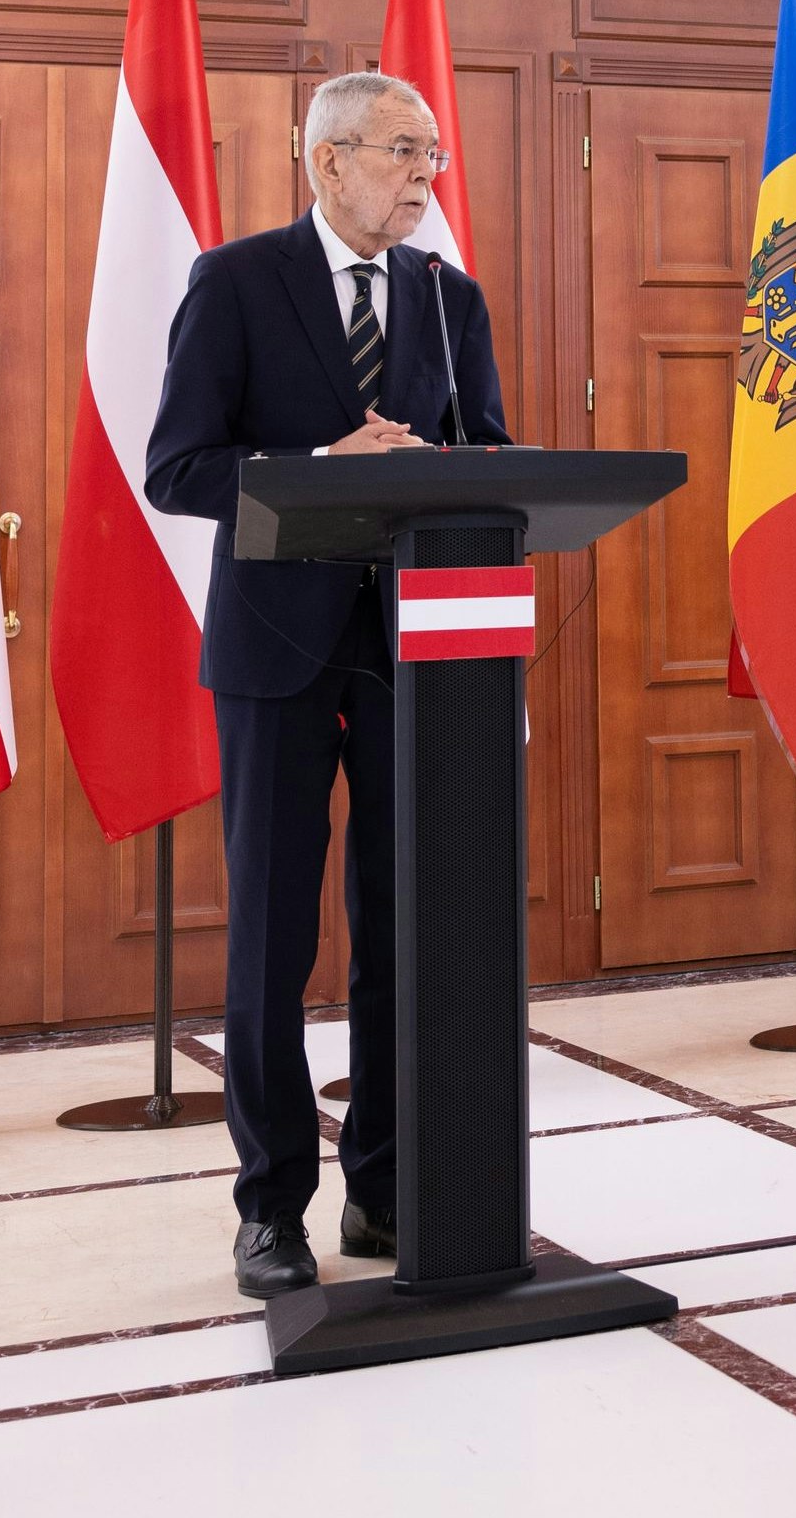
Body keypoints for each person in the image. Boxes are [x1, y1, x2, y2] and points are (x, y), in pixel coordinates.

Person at [144, 69, 506, 1297]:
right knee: (273, 936)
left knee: (404, 928)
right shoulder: (237, 282)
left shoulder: (449, 299)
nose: (425, 177)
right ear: (329, 160)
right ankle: (270, 1208)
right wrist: (318, 462)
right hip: (275, 650)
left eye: (433, 156)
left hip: (419, 651)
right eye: (405, 152)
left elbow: (488, 452)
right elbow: (178, 467)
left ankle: (386, 1191)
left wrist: (465, 469)